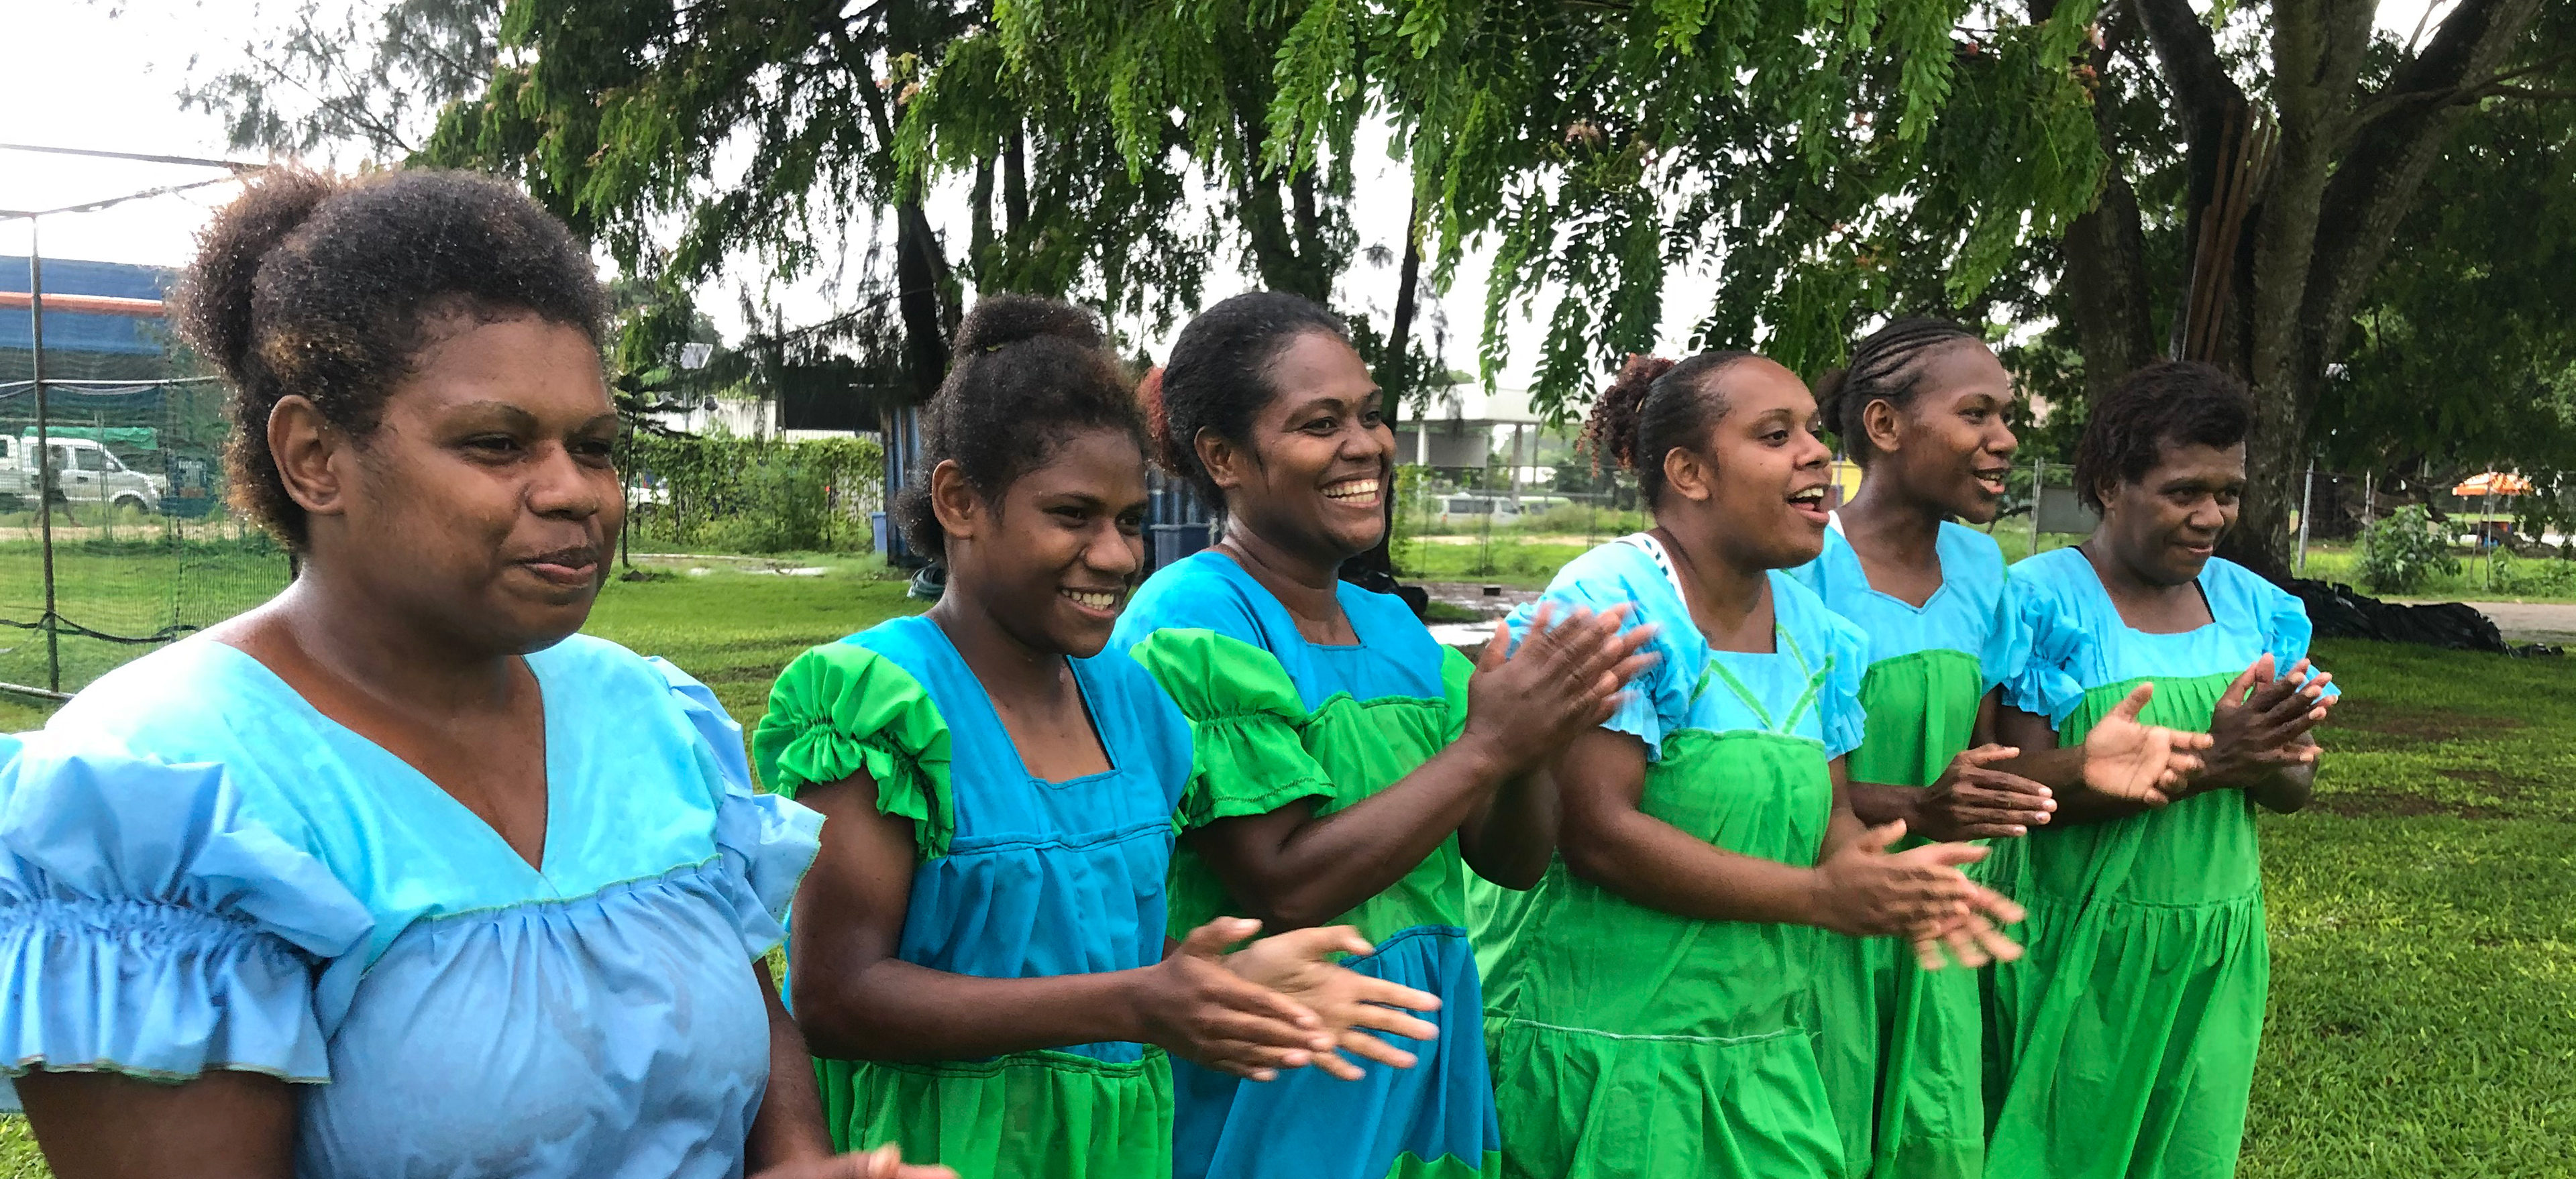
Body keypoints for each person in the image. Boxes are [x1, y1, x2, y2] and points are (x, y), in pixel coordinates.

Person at [0, 168, 945, 1178]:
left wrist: (796, 1161)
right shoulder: (162, 795)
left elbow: (754, 1018)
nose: (575, 491)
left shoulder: (646, 713)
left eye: (594, 445)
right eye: (497, 443)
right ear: (314, 456)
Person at [753, 294, 1443, 1179]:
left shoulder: (1136, 704)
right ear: (961, 500)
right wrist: (1133, 1002)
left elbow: (1086, 938)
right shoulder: (883, 708)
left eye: (1128, 519)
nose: (1117, 555)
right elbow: (837, 995)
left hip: (1121, 1143)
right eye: (1073, 515)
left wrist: (1225, 980)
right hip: (939, 1152)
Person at [1112, 291, 1656, 1179]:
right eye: (1320, 423)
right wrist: (1488, 745)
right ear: (1224, 456)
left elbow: (1508, 859)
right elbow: (1287, 881)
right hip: (1283, 1063)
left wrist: (1535, 738)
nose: (1364, 444)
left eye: (1370, 415)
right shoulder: (1197, 621)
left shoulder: (1394, 628)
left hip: (1415, 1051)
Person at [1474, 350, 2028, 1179]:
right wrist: (1818, 897)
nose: (1815, 452)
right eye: (1776, 435)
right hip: (1607, 1050)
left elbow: (1831, 815)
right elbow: (1599, 834)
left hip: (1761, 1047)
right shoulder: (1615, 602)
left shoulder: (1817, 632)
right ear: (1690, 473)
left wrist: (1888, 883)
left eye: (1811, 429)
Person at [1792, 321, 2212, 1178]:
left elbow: (1979, 768)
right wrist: (1915, 809)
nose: (2008, 439)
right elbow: (1776, 781)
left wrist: (2083, 767)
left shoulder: (1983, 572)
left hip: (1941, 921)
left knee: (1934, 1144)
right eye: (1977, 413)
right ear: (1884, 426)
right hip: (1816, 917)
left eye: (2007, 414)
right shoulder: (1798, 568)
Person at [1983, 361, 2337, 1179]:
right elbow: (2024, 791)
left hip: (2217, 937)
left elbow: (2293, 792)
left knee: (2190, 1153)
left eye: (2229, 493)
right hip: (2077, 940)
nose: (2212, 516)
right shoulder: (2041, 602)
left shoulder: (2257, 607)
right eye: (2184, 492)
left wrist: (2270, 757)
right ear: (2111, 484)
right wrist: (2219, 758)